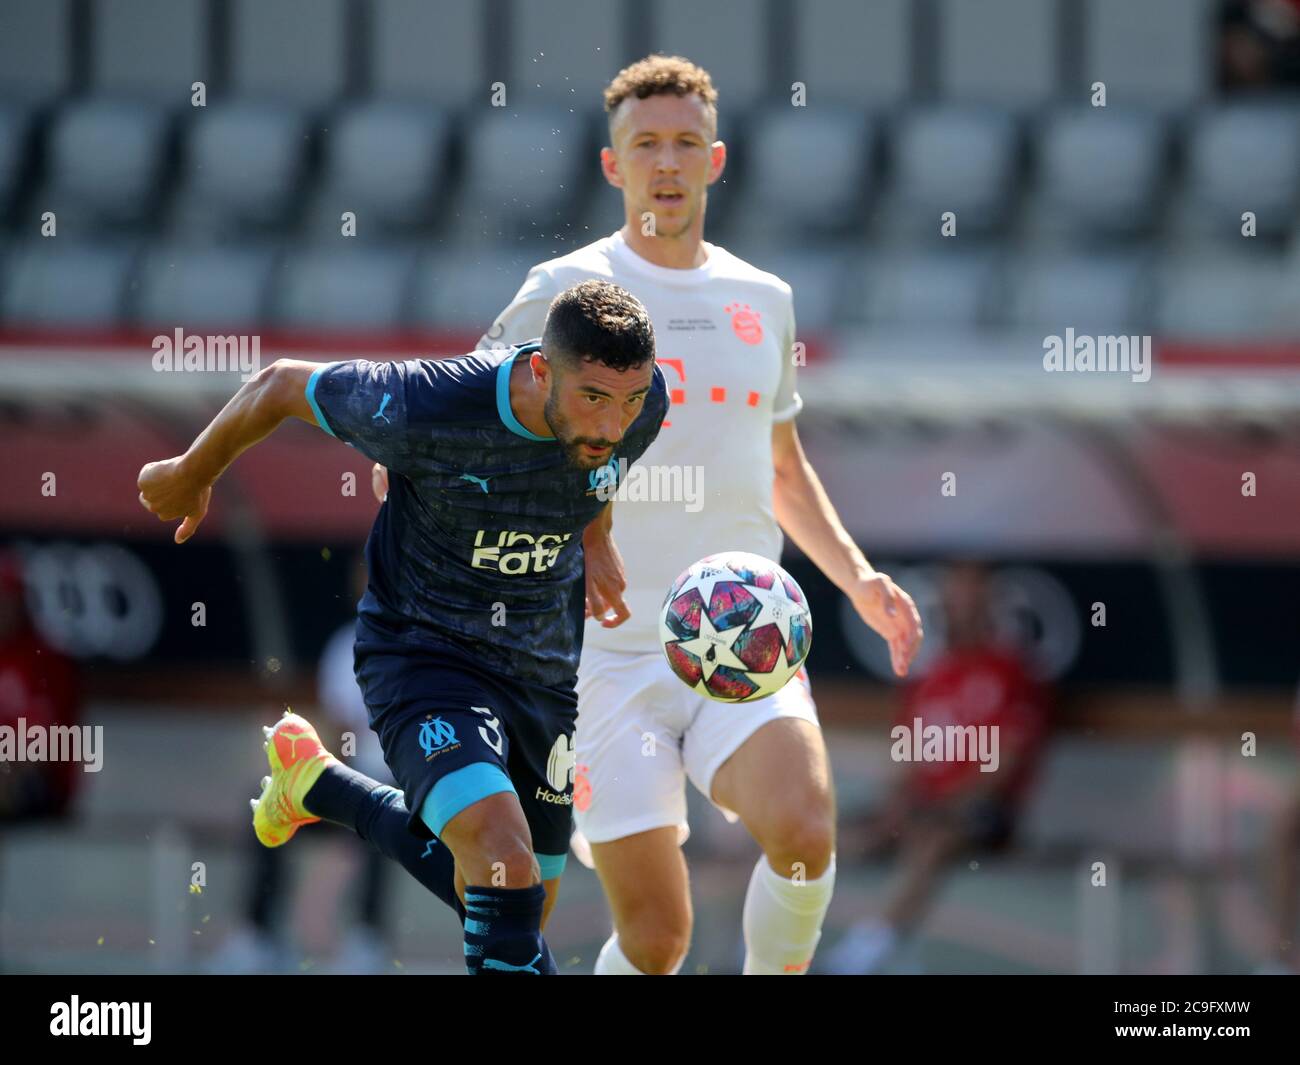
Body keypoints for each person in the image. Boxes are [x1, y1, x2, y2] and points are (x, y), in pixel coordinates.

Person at [375, 54, 923, 975]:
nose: (666, 164)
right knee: (658, 940)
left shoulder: (765, 299)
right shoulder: (562, 290)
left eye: (684, 144)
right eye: (646, 145)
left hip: (740, 632)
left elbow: (781, 464)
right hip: (597, 660)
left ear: (715, 160)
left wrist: (858, 577)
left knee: (804, 830)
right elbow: (458, 429)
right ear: (611, 164)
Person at [138, 280, 668, 975]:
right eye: (593, 398)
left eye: (627, 401)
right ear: (542, 369)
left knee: (514, 903)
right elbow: (281, 385)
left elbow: (597, 469)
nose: (611, 421)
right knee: (504, 864)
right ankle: (328, 789)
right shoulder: (432, 403)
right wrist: (191, 470)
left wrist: (595, 535)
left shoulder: (641, 405)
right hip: (425, 653)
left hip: (541, 671)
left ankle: (322, 787)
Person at [822, 561, 1050, 974]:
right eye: (954, 597)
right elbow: (906, 760)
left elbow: (1005, 763)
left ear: (991, 605)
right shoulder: (930, 677)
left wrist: (936, 804)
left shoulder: (1013, 673)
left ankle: (860, 958)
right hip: (920, 808)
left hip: (980, 815)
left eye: (972, 598)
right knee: (819, 836)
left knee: (934, 837)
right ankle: (765, 954)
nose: (961, 609)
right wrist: (898, 803)